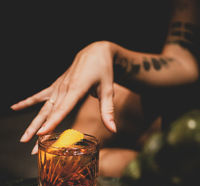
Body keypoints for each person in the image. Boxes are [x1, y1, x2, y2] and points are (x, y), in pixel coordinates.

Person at [11, 0, 200, 177]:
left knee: (135, 173)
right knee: (65, 166)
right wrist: (105, 52)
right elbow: (183, 59)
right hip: (176, 96)